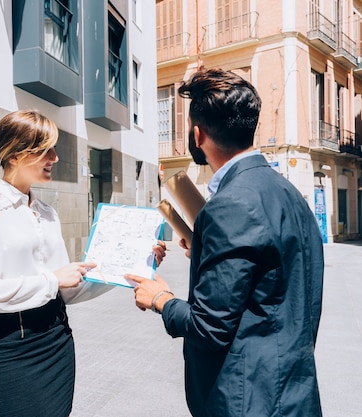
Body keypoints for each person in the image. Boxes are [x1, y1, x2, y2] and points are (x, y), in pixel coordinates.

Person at [126, 68, 324, 417]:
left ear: (198, 134)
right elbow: (271, 282)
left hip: (250, 400)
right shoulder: (289, 192)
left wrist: (160, 299)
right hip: (293, 390)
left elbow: (208, 327)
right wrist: (204, 252)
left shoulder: (230, 205)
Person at [0, 109, 166, 417]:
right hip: (11, 349)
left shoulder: (46, 212)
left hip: (56, 341)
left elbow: (67, 289)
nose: (55, 158)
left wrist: (132, 264)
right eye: (45, 150)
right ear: (14, 155)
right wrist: (53, 281)